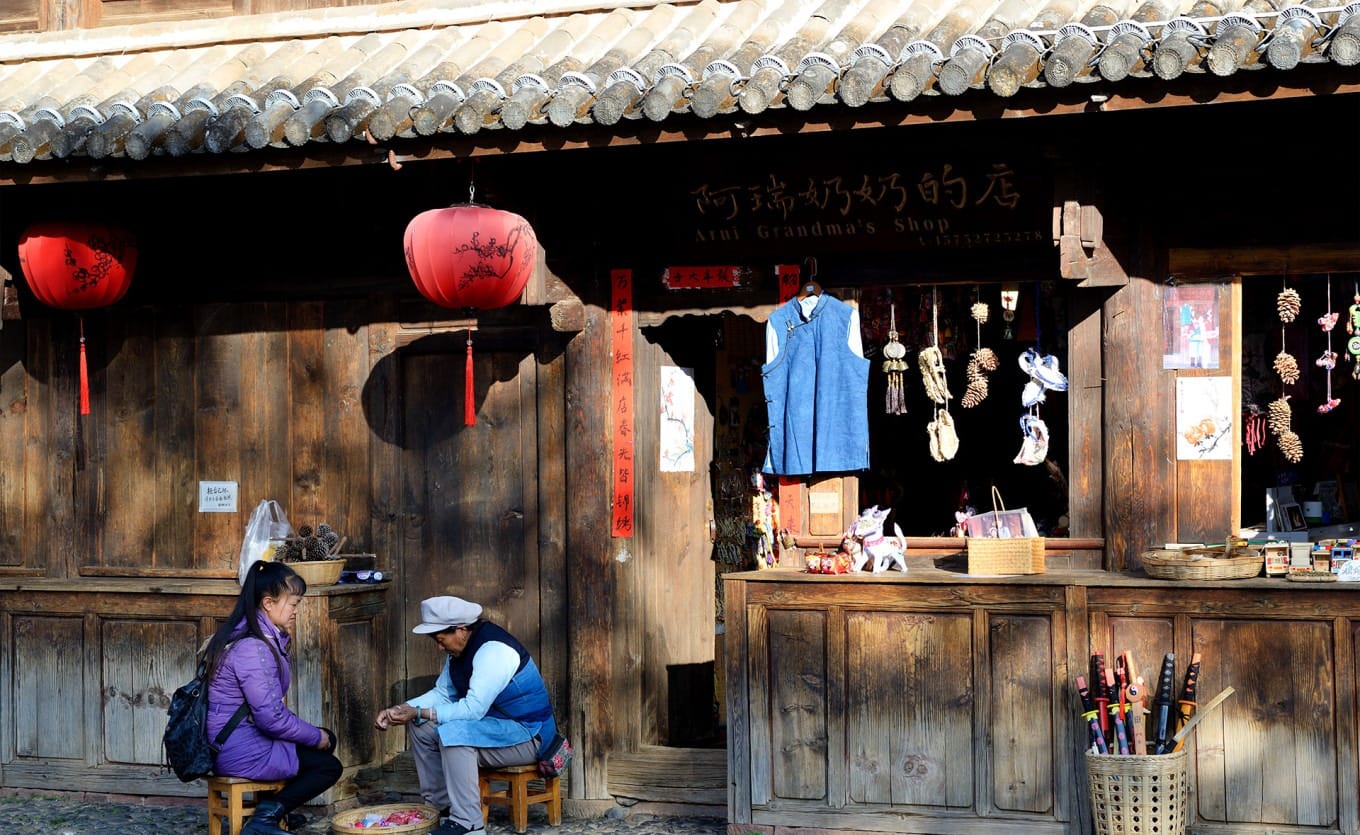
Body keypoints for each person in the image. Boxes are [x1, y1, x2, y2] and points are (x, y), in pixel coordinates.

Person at [374, 596, 558, 835]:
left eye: (441, 640)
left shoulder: (494, 651)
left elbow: (473, 710)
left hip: (529, 736)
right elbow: (443, 692)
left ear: (461, 630)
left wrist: (420, 711)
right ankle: (442, 809)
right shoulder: (460, 651)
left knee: (453, 734)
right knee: (421, 726)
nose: (440, 647)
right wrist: (400, 710)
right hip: (494, 729)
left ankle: (469, 823)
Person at [202, 559, 341, 835]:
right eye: (293, 603)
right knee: (328, 765)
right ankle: (265, 817)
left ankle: (273, 809)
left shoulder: (248, 634)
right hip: (237, 748)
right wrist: (314, 736)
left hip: (236, 738)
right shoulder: (253, 648)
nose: (296, 611)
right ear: (268, 603)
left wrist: (315, 735)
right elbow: (271, 718)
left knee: (326, 740)